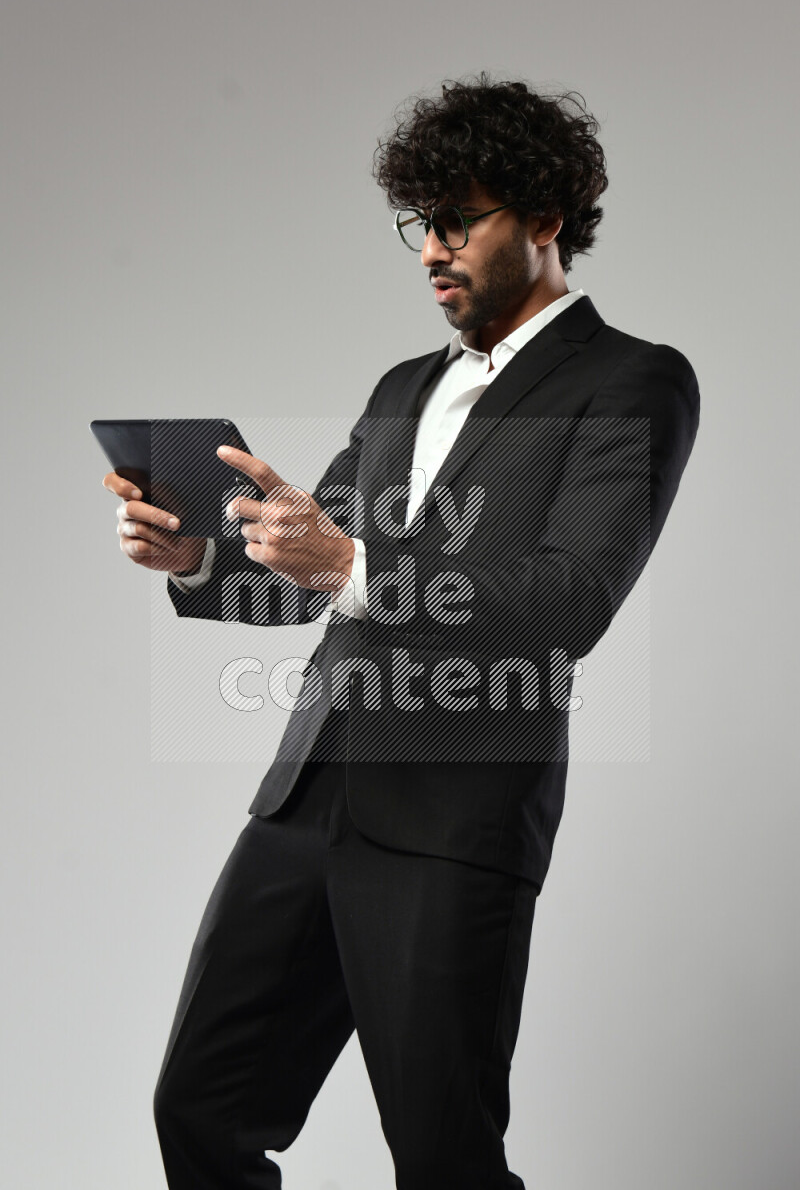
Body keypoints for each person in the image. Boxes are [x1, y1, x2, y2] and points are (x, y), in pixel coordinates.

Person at [102, 74, 700, 1190]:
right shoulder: (399, 388)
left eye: (457, 220)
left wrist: (350, 563)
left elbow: (567, 602)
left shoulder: (633, 381)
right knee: (200, 1112)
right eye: (417, 226)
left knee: (440, 1157)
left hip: (453, 814)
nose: (430, 248)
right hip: (307, 794)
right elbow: (310, 578)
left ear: (543, 217)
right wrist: (202, 560)